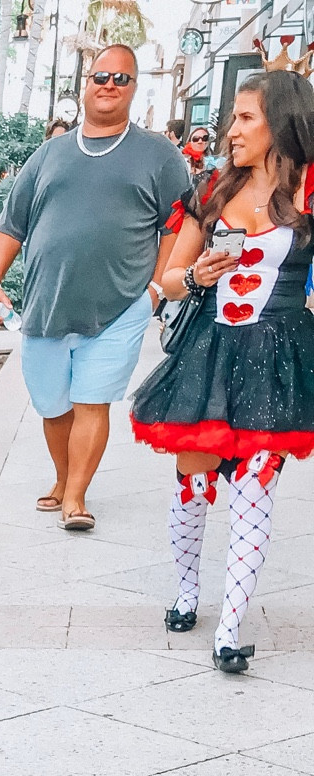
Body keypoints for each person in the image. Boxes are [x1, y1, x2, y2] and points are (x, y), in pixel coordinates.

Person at [131, 71, 314, 673]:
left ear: (281, 123)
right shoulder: (210, 189)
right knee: (193, 475)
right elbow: (170, 281)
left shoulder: (310, 194)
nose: (231, 130)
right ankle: (188, 593)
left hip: (280, 358)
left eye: (245, 118)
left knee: (256, 486)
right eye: (233, 117)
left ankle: (229, 628)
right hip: (209, 352)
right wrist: (198, 277)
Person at [0, 49, 191, 530]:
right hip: (45, 306)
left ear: (135, 86)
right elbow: (10, 227)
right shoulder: (49, 154)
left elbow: (177, 226)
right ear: (85, 83)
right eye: (101, 75)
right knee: (52, 405)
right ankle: (63, 478)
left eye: (122, 77)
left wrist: (156, 289)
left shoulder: (159, 155)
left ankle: (76, 497)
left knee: (92, 401)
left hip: (120, 306)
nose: (109, 84)